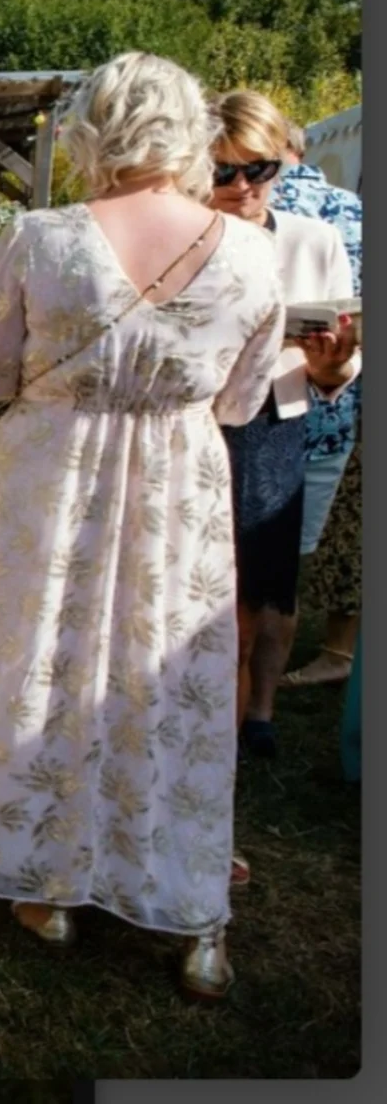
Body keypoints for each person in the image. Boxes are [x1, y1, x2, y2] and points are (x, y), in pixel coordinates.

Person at [0, 51, 285, 1001]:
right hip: (177, 489)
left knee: (43, 663)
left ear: (92, 129)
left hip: (49, 480)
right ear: (191, 133)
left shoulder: (40, 240)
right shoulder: (254, 253)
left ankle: (44, 886)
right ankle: (194, 914)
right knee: (164, 683)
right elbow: (242, 403)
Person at [208, 90, 357, 764]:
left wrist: (334, 362)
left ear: (281, 165)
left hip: (275, 422)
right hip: (198, 421)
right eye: (223, 171)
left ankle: (257, 713)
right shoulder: (181, 240)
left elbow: (338, 373)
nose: (242, 186)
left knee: (268, 584)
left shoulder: (313, 239)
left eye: (259, 170)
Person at [271, 119, 364, 688]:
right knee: (322, 542)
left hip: (262, 403)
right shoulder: (354, 209)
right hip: (338, 397)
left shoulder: (229, 205)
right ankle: (332, 649)